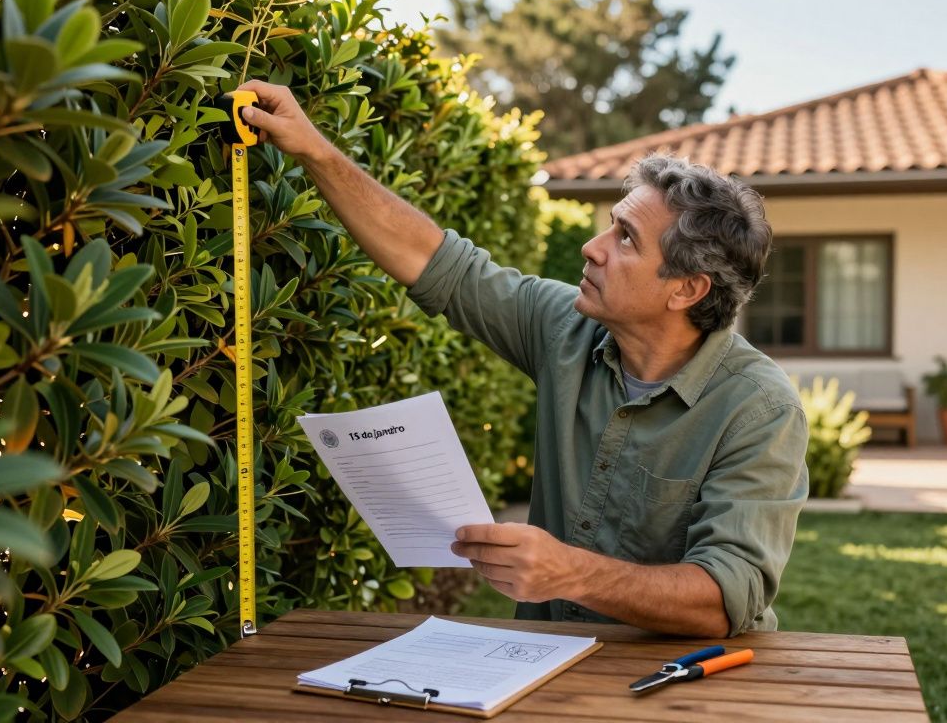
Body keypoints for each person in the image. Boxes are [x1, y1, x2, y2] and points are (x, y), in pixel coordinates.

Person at [236, 79, 809, 638]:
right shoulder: (564, 326)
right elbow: (440, 265)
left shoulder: (758, 409)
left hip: (688, 682)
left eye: (626, 239)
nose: (592, 247)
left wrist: (572, 572)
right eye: (610, 225)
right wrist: (312, 146)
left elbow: (725, 596)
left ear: (686, 290)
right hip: (543, 662)